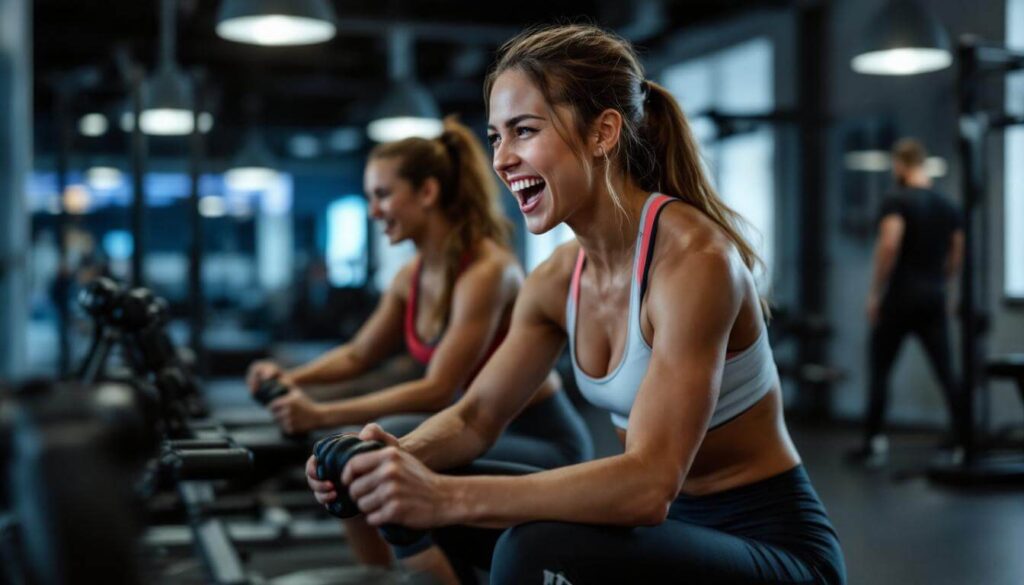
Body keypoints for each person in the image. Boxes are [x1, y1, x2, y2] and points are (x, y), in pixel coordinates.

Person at [308, 25, 846, 585]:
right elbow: (476, 416)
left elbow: (648, 485)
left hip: (769, 546)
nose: (503, 159)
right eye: (495, 137)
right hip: (668, 535)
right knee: (414, 478)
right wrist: (390, 460)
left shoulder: (692, 260)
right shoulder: (557, 279)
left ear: (602, 133)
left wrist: (442, 497)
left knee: (528, 546)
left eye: (524, 131)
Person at [249, 116, 593, 569]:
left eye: (383, 195)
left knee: (375, 456)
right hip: (470, 426)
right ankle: (380, 579)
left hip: (540, 440)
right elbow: (359, 353)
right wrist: (289, 378)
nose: (373, 210)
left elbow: (439, 389)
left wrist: (318, 413)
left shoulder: (486, 271)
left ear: (427, 193)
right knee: (345, 462)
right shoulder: (410, 276)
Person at [851, 138, 966, 466]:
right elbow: (957, 253)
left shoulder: (896, 199)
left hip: (901, 296)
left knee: (880, 369)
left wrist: (875, 292)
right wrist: (944, 286)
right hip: (933, 296)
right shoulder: (948, 206)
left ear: (901, 164)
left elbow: (889, 244)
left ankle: (873, 443)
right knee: (946, 371)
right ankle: (961, 442)